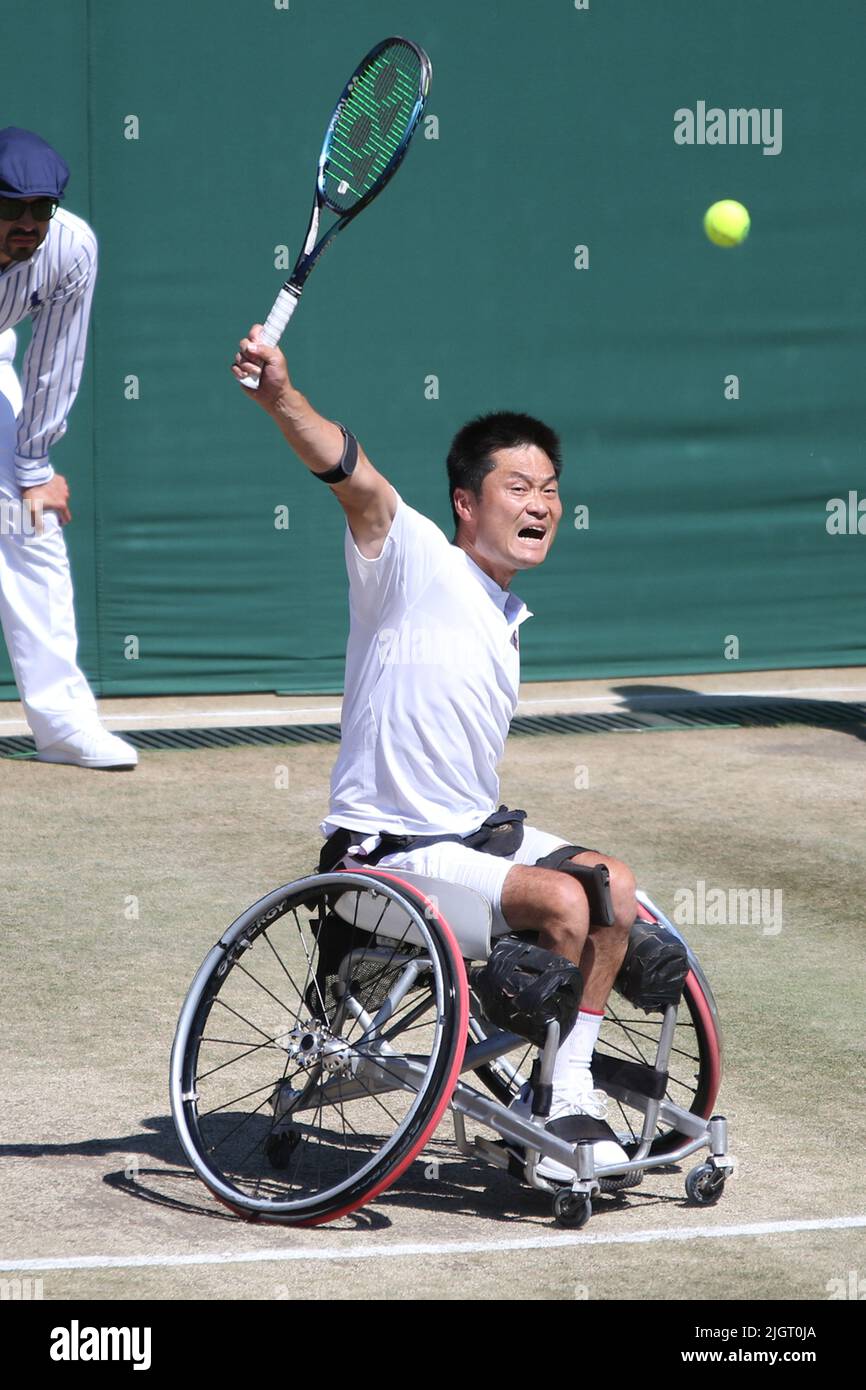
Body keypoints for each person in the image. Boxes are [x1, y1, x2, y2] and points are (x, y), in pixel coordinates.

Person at [232, 327, 639, 1180]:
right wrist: (279, 397)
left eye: (552, 489)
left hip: (468, 839)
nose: (541, 504)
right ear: (465, 501)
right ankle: (558, 1108)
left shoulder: (504, 616)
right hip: (381, 859)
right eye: (518, 486)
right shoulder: (411, 559)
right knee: (566, 905)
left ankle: (562, 1085)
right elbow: (355, 477)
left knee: (617, 887)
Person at [0, 127, 136, 769]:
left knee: (32, 523)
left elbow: (54, 357)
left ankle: (65, 726)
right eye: (10, 208)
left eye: (40, 209)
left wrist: (34, 467)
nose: (27, 223)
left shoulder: (70, 247)